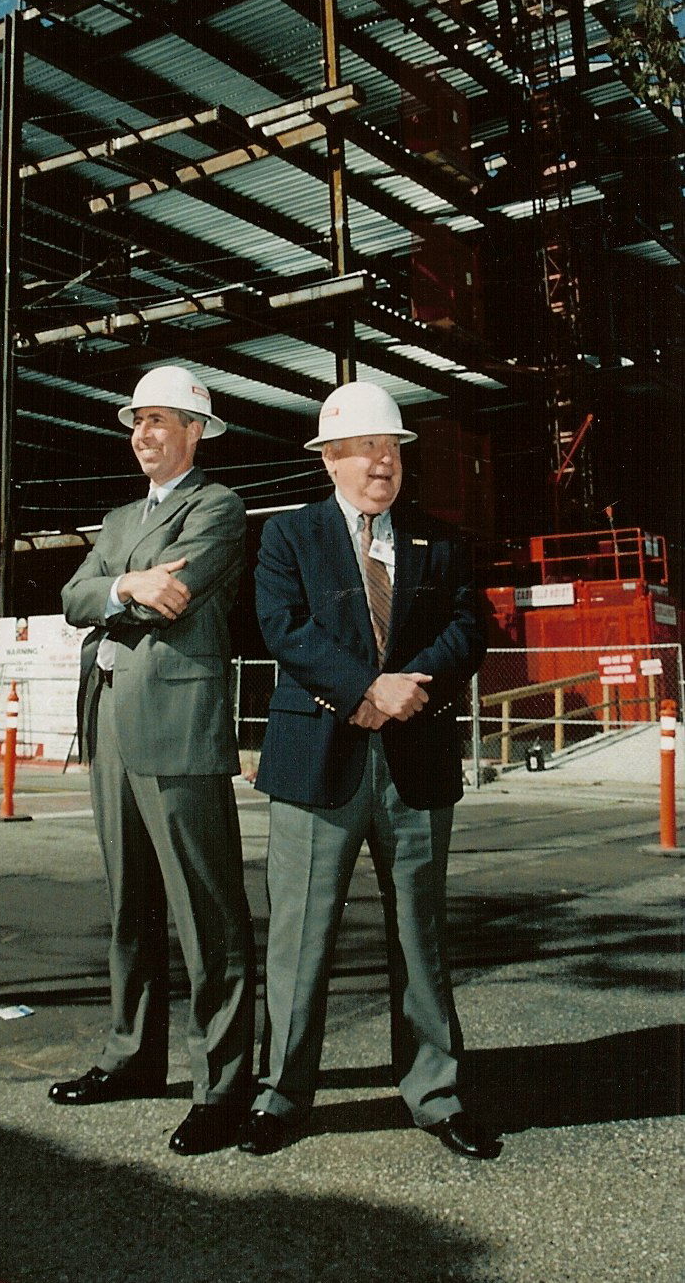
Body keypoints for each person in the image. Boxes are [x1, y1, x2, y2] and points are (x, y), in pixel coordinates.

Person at [237, 380, 499, 1160]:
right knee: (300, 938)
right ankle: (281, 1095)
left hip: (413, 766)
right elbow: (281, 626)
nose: (382, 462)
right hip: (317, 762)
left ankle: (436, 1094)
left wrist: (404, 689)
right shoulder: (289, 537)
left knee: (421, 935)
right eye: (364, 448)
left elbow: (466, 627)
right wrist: (363, 688)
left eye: (391, 448)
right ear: (331, 460)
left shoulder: (439, 541)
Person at [49, 364, 255, 1155]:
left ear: (196, 432)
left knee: (208, 914)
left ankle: (224, 1087)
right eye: (137, 422)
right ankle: (133, 1057)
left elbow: (179, 593)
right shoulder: (116, 516)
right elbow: (74, 596)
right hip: (108, 725)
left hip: (176, 723)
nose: (143, 434)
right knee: (129, 905)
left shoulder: (220, 507)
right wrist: (124, 581)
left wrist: (117, 586)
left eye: (161, 421)